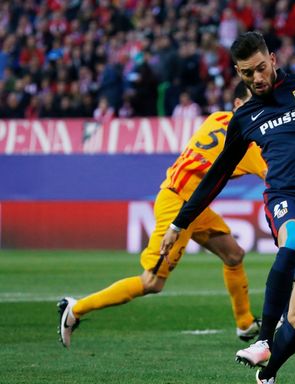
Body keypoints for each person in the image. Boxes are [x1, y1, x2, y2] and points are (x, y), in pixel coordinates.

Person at [160, 32, 295, 384]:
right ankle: (263, 337)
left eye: (261, 68)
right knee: (291, 241)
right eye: (246, 73)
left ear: (273, 57)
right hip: (287, 197)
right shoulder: (245, 116)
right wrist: (179, 222)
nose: (256, 78)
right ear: (238, 72)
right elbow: (217, 174)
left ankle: (268, 374)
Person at [58, 82, 266, 348]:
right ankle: (75, 309)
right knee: (152, 282)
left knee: (233, 254)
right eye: (254, 103)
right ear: (238, 105)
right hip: (178, 204)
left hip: (191, 203)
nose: (260, 109)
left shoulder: (216, 119)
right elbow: (274, 175)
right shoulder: (248, 143)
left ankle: (245, 322)